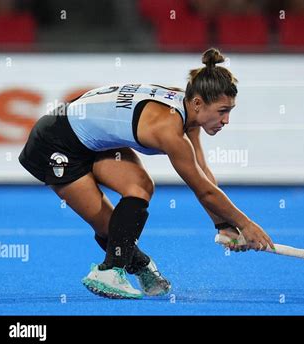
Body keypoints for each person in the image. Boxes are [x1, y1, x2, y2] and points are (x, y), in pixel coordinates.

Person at [18, 48, 275, 299]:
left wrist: (223, 225)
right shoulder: (169, 129)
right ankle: (115, 271)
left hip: (94, 143)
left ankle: (125, 266)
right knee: (109, 226)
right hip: (54, 142)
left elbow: (203, 174)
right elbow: (204, 191)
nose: (226, 120)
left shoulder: (187, 108)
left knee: (140, 188)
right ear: (198, 103)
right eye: (222, 111)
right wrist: (247, 225)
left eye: (230, 111)